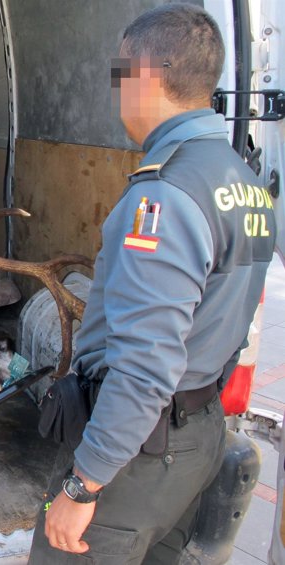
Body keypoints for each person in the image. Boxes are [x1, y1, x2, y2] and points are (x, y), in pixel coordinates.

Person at [28, 4, 277, 564]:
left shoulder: (164, 195)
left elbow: (144, 367)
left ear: (143, 76)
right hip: (197, 437)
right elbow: (231, 325)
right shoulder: (246, 182)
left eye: (120, 76)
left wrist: (82, 485)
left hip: (135, 457)